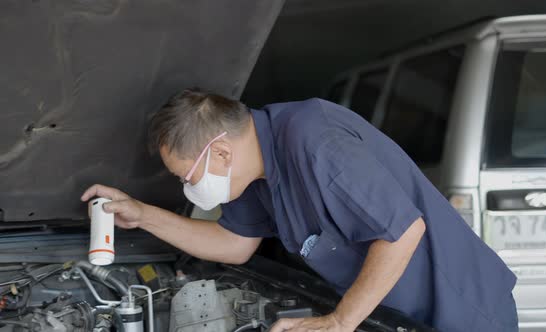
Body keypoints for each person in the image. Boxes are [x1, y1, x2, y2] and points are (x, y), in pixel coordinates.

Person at [81, 88, 518, 331]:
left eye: (186, 177)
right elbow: (234, 246)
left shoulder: (315, 141)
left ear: (220, 154)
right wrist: (143, 214)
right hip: (389, 314)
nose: (187, 186)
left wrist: (339, 322)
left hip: (459, 311)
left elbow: (403, 231)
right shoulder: (256, 176)